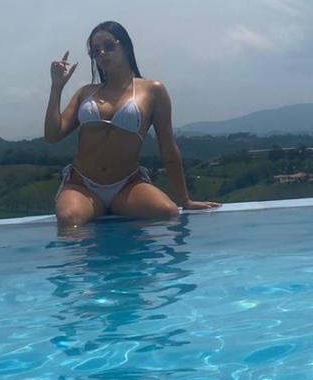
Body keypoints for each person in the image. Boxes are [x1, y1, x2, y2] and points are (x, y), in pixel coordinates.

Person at [45, 20, 220, 226]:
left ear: (126, 46)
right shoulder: (86, 92)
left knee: (168, 211)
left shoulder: (153, 90)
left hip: (127, 185)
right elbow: (52, 135)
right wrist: (56, 87)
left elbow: (168, 147)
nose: (102, 53)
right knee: (69, 219)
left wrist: (185, 200)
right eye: (95, 51)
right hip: (82, 185)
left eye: (109, 46)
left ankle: (116, 216)